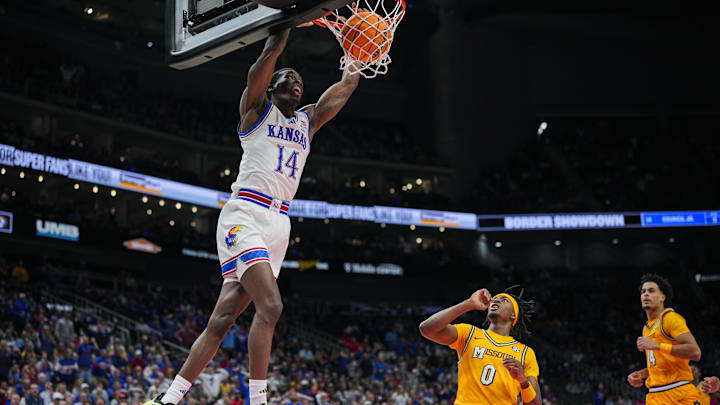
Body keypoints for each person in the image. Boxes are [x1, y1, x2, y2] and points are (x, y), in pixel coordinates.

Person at [146, 25, 361, 405]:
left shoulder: (306, 122)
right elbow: (262, 64)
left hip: (279, 223)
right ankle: (258, 400)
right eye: (289, 79)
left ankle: (169, 399)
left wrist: (359, 56)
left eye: (300, 82)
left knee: (224, 317)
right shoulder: (255, 113)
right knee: (272, 306)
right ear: (273, 86)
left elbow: (344, 88)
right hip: (246, 211)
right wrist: (283, 30)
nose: (297, 84)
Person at [419, 287, 541, 405]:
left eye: (504, 300)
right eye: (495, 298)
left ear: (514, 315)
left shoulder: (525, 352)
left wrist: (523, 382)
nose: (496, 300)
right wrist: (468, 304)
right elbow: (427, 329)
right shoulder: (469, 333)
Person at [626, 274, 702, 404]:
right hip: (655, 396)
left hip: (679, 393)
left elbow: (695, 353)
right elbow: (660, 365)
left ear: (662, 297)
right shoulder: (646, 328)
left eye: (651, 291)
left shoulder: (670, 319)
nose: (645, 294)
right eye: (643, 292)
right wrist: (640, 374)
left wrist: (657, 345)